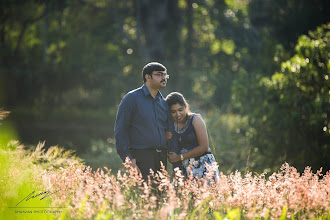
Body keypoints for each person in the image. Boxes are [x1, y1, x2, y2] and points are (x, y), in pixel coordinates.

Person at [114, 62, 177, 182]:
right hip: (142, 156)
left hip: (162, 157)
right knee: (148, 197)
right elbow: (120, 130)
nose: (164, 78)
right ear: (148, 77)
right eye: (159, 74)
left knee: (160, 197)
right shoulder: (131, 98)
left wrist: (176, 164)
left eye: (165, 75)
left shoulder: (164, 103)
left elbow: (171, 132)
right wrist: (128, 159)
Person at [165, 92, 220, 180]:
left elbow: (204, 147)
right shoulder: (171, 126)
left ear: (185, 106)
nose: (178, 114)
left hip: (204, 168)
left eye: (180, 110)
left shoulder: (195, 119)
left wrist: (179, 157)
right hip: (185, 171)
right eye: (173, 112)